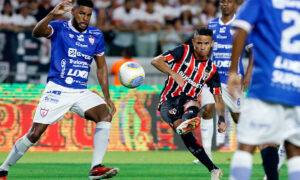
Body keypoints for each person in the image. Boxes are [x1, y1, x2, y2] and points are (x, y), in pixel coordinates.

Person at [0, 0, 119, 179]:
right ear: (73, 12)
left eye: (88, 15)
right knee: (34, 134)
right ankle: (3, 168)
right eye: (81, 13)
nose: (85, 18)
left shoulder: (96, 34)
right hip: (57, 89)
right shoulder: (59, 27)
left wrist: (107, 96)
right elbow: (36, 32)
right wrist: (51, 15)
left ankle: (96, 167)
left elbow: (101, 67)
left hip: (80, 91)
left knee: (105, 115)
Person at [228, 0, 300, 180]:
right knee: (294, 149)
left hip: (267, 83)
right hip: (295, 84)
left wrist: (232, 72)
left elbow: (241, 29)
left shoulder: (260, 2)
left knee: (247, 144)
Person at [151, 27, 227, 180]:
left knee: (192, 102)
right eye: (199, 43)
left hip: (189, 101)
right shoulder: (183, 51)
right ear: (193, 42)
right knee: (185, 135)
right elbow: (156, 61)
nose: (202, 47)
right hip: (168, 100)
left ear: (211, 43)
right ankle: (213, 168)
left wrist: (221, 119)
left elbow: (218, 97)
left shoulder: (211, 69)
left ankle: (189, 119)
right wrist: (173, 73)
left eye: (206, 43)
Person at [193, 0, 253, 164]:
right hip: (212, 78)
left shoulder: (240, 26)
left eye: (229, 2)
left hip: (233, 79)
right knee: (207, 109)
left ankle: (245, 151)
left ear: (235, 5)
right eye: (223, 2)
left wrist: (248, 74)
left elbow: (252, 51)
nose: (225, 4)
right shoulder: (211, 25)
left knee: (237, 116)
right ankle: (206, 154)